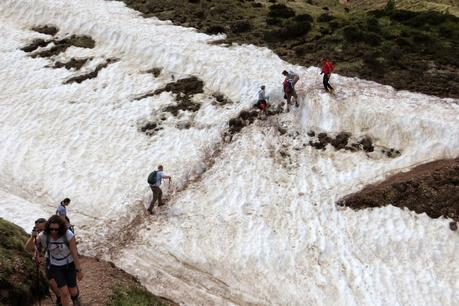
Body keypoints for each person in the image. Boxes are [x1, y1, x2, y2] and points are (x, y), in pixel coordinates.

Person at [37, 215, 83, 306]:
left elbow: (74, 253)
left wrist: (78, 270)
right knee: (64, 292)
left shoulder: (68, 235)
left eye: (56, 229)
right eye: (51, 229)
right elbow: (29, 248)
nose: (53, 231)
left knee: (73, 291)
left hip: (69, 265)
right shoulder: (43, 236)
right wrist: (32, 237)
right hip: (55, 266)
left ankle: (75, 298)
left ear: (61, 228)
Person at [25, 218, 62, 306]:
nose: (40, 231)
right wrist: (32, 237)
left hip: (62, 258)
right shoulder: (39, 236)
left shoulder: (56, 232)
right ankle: (60, 298)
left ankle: (73, 295)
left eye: (42, 229)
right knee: (51, 281)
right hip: (50, 259)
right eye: (38, 230)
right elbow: (27, 248)